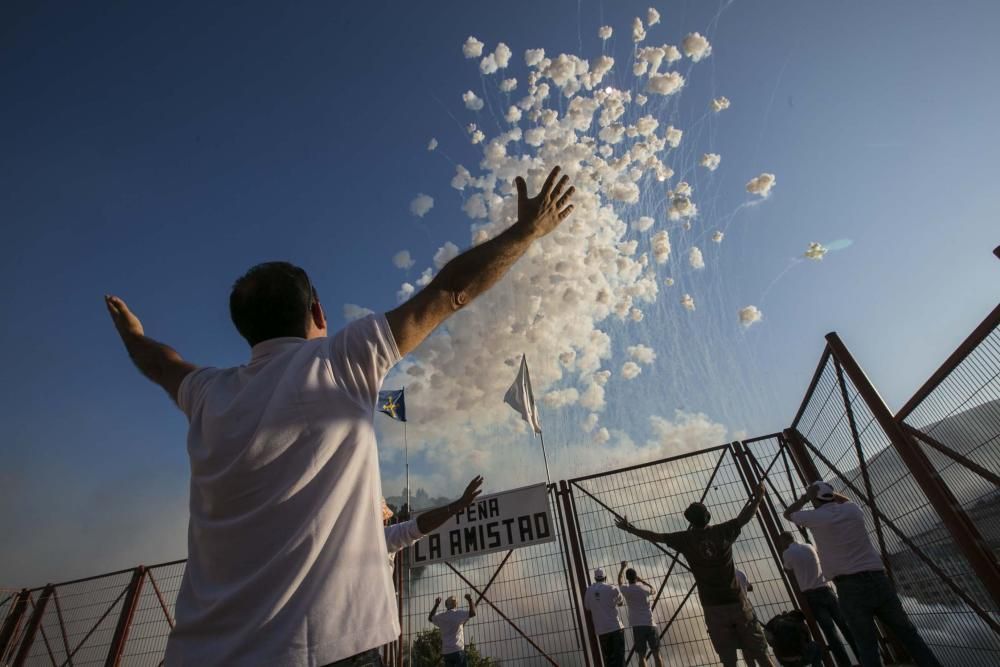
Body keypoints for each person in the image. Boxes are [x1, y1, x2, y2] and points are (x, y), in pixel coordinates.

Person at [105, 166, 576, 667]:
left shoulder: (206, 394)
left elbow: (161, 364)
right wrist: (527, 232)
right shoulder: (341, 359)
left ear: (246, 331)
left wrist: (133, 336)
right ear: (319, 312)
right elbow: (448, 291)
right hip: (326, 651)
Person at [615, 483, 776, 667]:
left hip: (712, 606)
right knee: (761, 655)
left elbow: (655, 536)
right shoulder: (723, 531)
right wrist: (759, 497)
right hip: (737, 601)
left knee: (729, 661)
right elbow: (744, 517)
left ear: (690, 521)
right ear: (708, 516)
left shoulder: (684, 539)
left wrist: (630, 528)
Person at [784, 481, 942, 667]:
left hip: (849, 586)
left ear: (814, 499)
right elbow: (847, 501)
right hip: (878, 579)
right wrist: (830, 494)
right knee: (909, 635)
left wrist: (805, 497)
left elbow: (788, 513)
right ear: (832, 496)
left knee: (866, 645)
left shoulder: (815, 517)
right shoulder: (852, 511)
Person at [778, 531, 857, 667]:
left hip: (811, 595)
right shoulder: (809, 546)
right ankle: (863, 658)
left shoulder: (787, 554)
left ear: (784, 541)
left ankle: (845, 664)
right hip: (827, 589)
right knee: (845, 625)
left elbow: (787, 568)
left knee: (830, 632)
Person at [383, 477, 484, 569]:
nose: (388, 521)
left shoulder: (377, 537)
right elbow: (419, 526)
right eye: (385, 518)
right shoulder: (382, 537)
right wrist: (458, 505)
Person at [617, 562, 664, 667]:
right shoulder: (644, 588)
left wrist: (622, 568)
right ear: (635, 577)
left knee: (642, 656)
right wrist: (642, 580)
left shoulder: (626, 590)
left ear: (628, 579)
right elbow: (654, 590)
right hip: (650, 623)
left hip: (637, 625)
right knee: (656, 653)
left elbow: (619, 582)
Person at [584, 567, 626, 667]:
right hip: (615, 628)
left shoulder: (589, 591)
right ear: (605, 577)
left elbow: (587, 607)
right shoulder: (611, 588)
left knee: (608, 661)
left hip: (601, 631)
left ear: (595, 578)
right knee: (620, 660)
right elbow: (621, 602)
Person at [428, 594, 477, 667]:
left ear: (446, 605)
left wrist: (436, 605)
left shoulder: (441, 617)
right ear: (456, 604)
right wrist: (470, 600)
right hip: (458, 649)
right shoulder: (458, 614)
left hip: (447, 652)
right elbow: (473, 613)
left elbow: (430, 618)